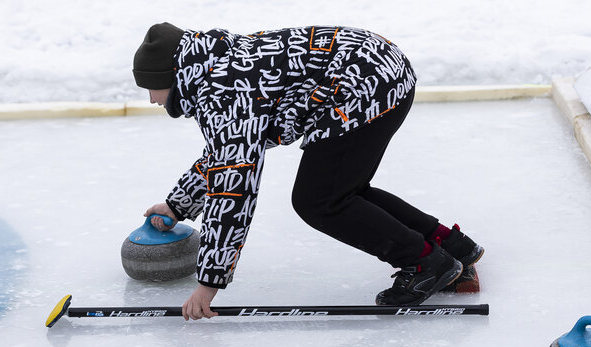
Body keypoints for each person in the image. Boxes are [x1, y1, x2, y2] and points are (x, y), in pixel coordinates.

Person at [133, 23, 483, 320]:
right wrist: (178, 204)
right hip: (382, 72)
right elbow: (227, 154)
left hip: (363, 87)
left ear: (173, 76)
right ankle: (451, 245)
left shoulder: (223, 93)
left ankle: (426, 264)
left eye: (151, 87)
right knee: (343, 190)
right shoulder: (217, 66)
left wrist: (209, 283)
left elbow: (232, 189)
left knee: (319, 201)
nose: (151, 99)